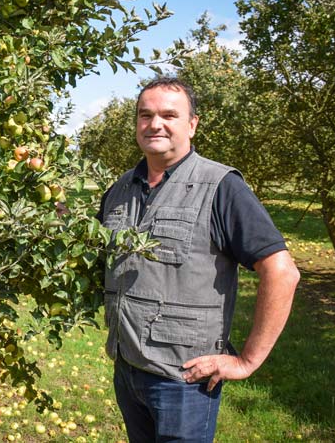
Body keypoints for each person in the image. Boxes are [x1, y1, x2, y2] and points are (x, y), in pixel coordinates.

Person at [97, 77, 300, 442]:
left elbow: (282, 272)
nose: (155, 124)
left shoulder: (221, 186)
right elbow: (93, 252)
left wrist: (247, 361)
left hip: (183, 381)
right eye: (145, 115)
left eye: (169, 115)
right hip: (127, 370)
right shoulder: (120, 188)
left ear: (192, 124)